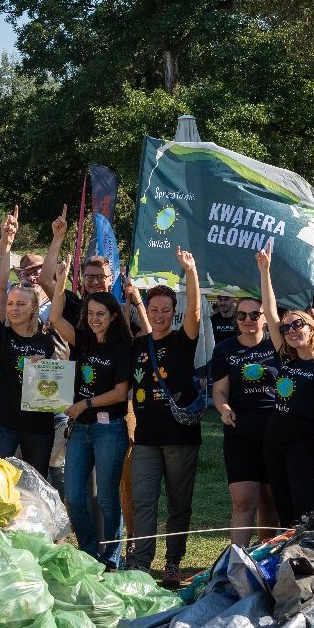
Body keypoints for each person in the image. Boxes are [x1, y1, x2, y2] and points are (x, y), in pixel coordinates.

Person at [123, 248, 203, 585]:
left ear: (174, 312)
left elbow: (196, 311)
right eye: (153, 310)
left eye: (165, 310)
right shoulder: (138, 346)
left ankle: (173, 562)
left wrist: (191, 271)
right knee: (143, 502)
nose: (158, 315)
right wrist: (133, 298)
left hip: (180, 438)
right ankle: (141, 562)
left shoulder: (183, 340)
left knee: (178, 503)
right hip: (145, 438)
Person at [50, 258, 135, 565]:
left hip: (109, 428)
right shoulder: (83, 340)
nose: (95, 318)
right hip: (81, 430)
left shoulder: (121, 347)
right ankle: (88, 552)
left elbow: (120, 391)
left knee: (109, 498)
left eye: (101, 314)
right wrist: (60, 281)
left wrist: (84, 403)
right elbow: (57, 316)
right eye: (90, 313)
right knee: (74, 496)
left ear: (113, 316)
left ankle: (112, 557)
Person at [253, 242, 314, 528]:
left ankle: (304, 560)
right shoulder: (285, 357)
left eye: (297, 325)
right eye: (286, 328)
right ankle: (285, 560)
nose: (289, 331)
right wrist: (265, 271)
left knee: (302, 508)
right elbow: (271, 312)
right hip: (273, 437)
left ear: (311, 327)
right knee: (282, 505)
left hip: (301, 443)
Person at [0, 207, 60, 474]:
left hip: (38, 428)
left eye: (21, 304)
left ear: (34, 308)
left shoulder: (47, 342)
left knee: (36, 487)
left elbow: (54, 388)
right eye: (11, 304)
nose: (13, 308)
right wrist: (6, 242)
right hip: (2, 425)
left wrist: (43, 370)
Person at [211, 291, 279, 549]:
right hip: (239, 432)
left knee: (269, 499)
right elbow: (219, 391)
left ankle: (264, 559)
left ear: (264, 318)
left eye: (254, 315)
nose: (247, 319)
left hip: (274, 431)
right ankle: (236, 561)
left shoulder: (278, 345)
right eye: (242, 315)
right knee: (243, 499)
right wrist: (224, 408)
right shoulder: (225, 349)